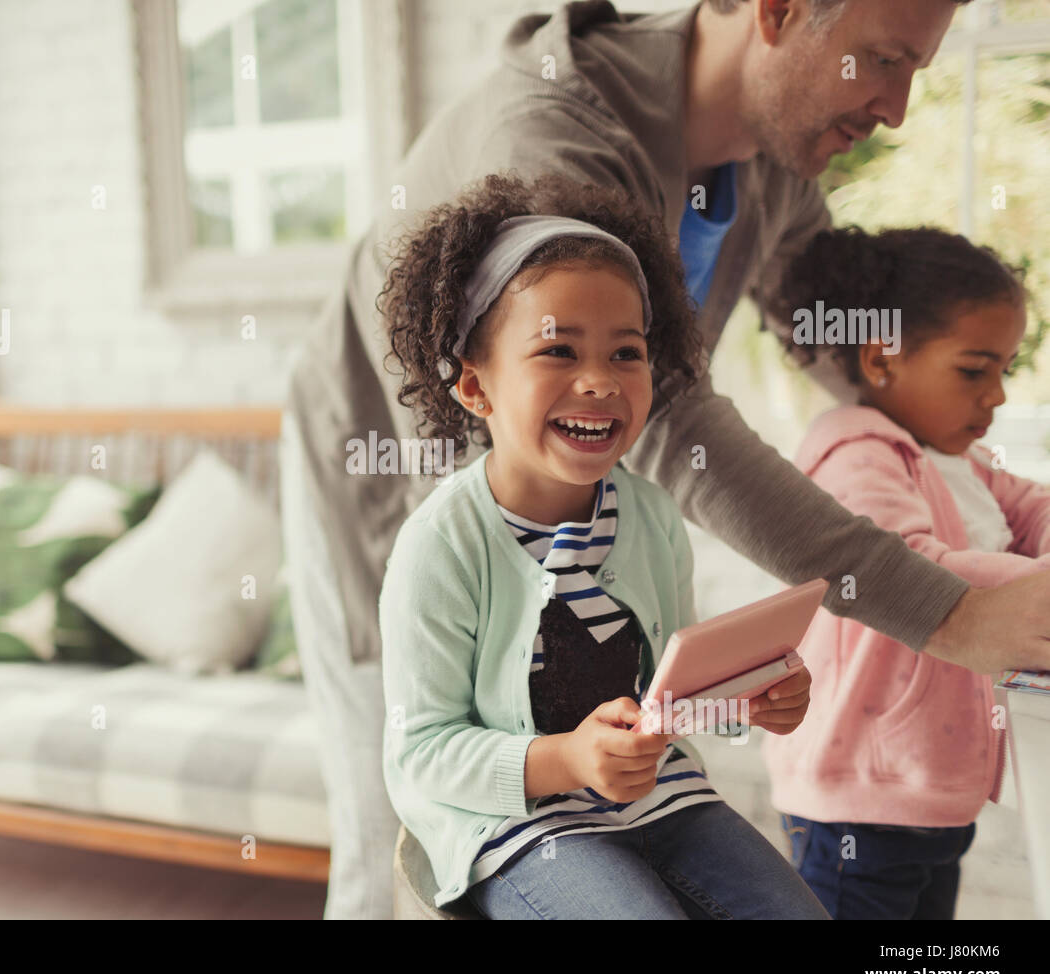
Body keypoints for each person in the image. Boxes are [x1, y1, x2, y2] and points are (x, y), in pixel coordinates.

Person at [281, 0, 1050, 921]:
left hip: (583, 572)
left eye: (916, 70)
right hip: (385, 468)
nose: (896, 108)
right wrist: (945, 609)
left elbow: (843, 347)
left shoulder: (773, 167)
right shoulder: (550, 125)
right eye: (882, 60)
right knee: (389, 833)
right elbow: (671, 422)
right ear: (779, 12)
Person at [378, 171, 827, 918]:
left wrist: (748, 697)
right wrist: (564, 758)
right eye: (558, 353)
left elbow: (665, 700)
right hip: (521, 827)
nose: (599, 381)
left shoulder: (649, 516)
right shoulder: (441, 544)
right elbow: (419, 752)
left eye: (626, 352)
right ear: (475, 388)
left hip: (663, 803)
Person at [761, 226, 1050, 919]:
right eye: (975, 370)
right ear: (881, 358)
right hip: (859, 800)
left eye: (1006, 369)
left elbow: (1032, 508)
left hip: (934, 790)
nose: (999, 396)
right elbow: (916, 565)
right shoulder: (856, 451)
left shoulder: (954, 460)